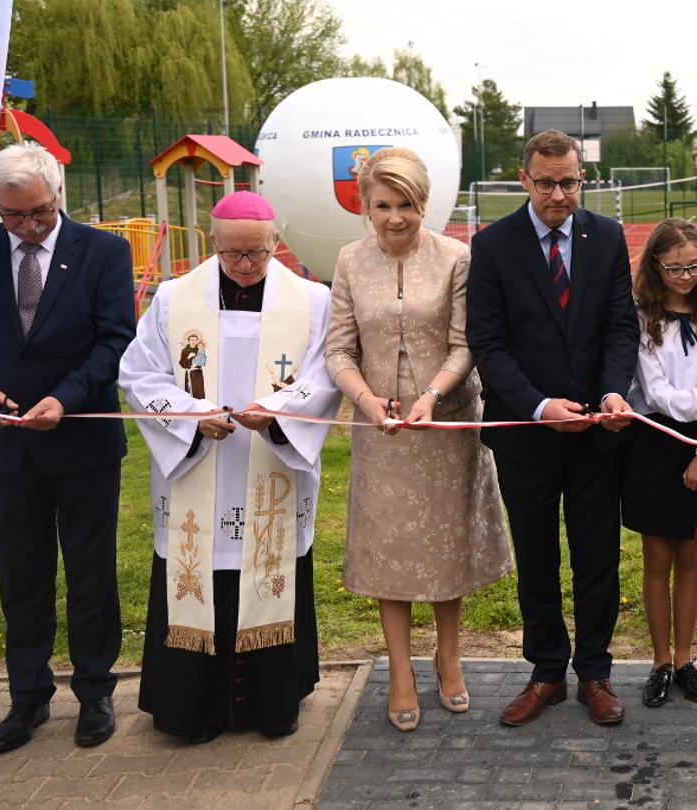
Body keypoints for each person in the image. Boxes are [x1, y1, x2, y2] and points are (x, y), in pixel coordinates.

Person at [118, 191, 342, 743]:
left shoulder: (312, 302)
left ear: (275, 244)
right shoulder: (174, 300)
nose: (246, 266)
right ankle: (191, 709)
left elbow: (328, 372)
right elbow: (138, 374)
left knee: (273, 572)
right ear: (212, 242)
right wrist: (194, 418)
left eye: (258, 254)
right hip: (201, 469)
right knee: (200, 574)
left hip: (272, 464)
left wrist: (281, 412)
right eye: (234, 254)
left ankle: (272, 705)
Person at [325, 147, 513, 732]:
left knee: (444, 546)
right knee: (392, 552)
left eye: (406, 205)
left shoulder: (457, 258)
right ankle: (400, 670)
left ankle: (449, 656)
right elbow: (339, 349)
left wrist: (431, 395)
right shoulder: (351, 261)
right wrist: (364, 399)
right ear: (365, 207)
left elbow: (465, 342)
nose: (395, 218)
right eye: (383, 205)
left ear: (423, 203)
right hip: (380, 432)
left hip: (446, 425)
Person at [466, 130, 640, 727]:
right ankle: (546, 673)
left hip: (596, 433)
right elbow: (488, 345)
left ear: (582, 179)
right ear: (524, 180)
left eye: (569, 182)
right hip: (526, 435)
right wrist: (540, 407)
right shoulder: (491, 246)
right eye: (546, 183)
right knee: (537, 559)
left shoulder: (609, 237)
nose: (559, 194)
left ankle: (594, 672)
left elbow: (621, 328)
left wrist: (615, 391)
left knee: (598, 557)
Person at [0, 142, 134, 753]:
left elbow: (115, 340)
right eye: (12, 215)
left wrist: (64, 399)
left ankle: (95, 693)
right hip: (7, 446)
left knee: (91, 573)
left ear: (58, 193)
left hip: (83, 439)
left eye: (38, 212)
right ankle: (27, 698)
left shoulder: (104, 252)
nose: (27, 226)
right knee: (22, 576)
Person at [622, 218, 697, 708]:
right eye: (674, 267)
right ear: (655, 265)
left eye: (694, 266)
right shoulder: (642, 319)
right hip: (652, 440)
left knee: (690, 556)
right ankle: (659, 662)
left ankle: (687, 659)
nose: (685, 275)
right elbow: (658, 395)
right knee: (657, 559)